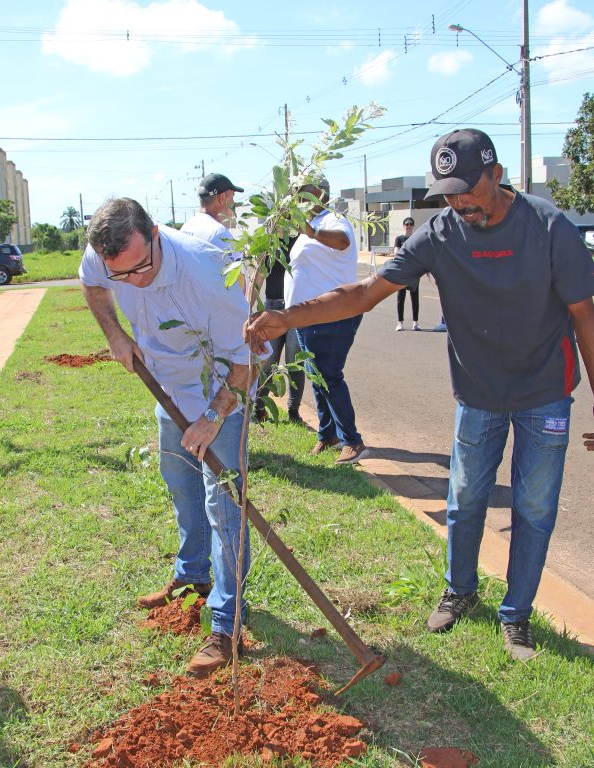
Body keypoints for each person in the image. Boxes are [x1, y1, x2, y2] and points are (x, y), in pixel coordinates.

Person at [246, 129, 594, 661]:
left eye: (467, 189)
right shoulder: (439, 235)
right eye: (447, 193)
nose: (458, 202)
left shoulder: (549, 228)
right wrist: (286, 319)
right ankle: (460, 590)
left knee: (533, 505)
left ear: (496, 174)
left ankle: (516, 614)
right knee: (465, 499)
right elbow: (363, 294)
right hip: (477, 394)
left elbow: (583, 315)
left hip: (543, 392)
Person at [80, 197, 261, 677]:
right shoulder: (108, 259)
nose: (133, 281)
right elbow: (92, 284)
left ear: (156, 234)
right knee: (181, 486)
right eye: (121, 274)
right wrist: (115, 335)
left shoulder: (207, 274)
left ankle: (226, 626)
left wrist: (212, 416)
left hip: (222, 387)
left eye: (140, 268)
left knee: (223, 507)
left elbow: (246, 361)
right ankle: (192, 573)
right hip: (167, 388)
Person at [287, 175, 365, 464]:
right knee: (316, 375)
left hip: (333, 314)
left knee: (328, 375)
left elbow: (343, 241)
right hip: (311, 317)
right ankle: (327, 434)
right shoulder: (314, 224)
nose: (295, 196)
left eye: (301, 191)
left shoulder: (332, 219)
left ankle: (352, 441)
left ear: (318, 192)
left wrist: (311, 232)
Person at [253, 236, 305, 424]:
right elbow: (257, 279)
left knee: (295, 363)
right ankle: (258, 408)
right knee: (268, 361)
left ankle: (294, 411)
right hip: (272, 307)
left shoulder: (302, 241)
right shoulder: (267, 242)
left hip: (296, 307)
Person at [181, 172, 243, 257]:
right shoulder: (219, 234)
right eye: (232, 197)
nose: (234, 202)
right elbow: (239, 270)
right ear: (222, 198)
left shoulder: (186, 227)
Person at [393, 217, 420, 331]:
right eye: (406, 224)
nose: (408, 226)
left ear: (413, 226)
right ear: (403, 225)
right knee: (401, 297)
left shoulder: (416, 238)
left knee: (415, 297)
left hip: (414, 271)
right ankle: (400, 323)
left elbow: (419, 253)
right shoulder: (399, 238)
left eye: (410, 224)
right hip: (403, 271)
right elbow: (396, 251)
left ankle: (415, 323)